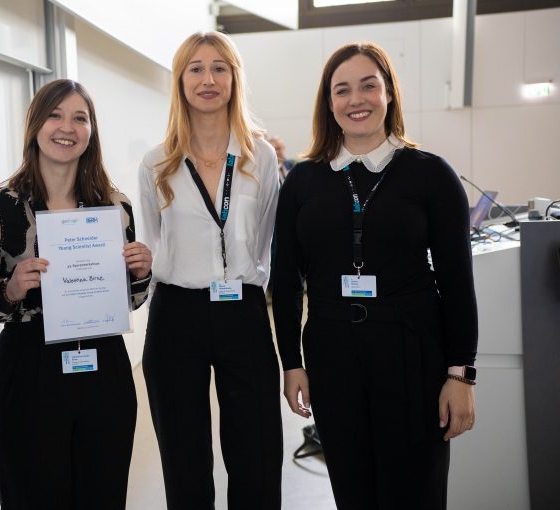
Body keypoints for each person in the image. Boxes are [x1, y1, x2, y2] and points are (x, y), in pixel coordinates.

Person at [271, 42, 478, 509]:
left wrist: (461, 375)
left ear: (389, 94)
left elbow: (457, 283)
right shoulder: (303, 181)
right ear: (329, 103)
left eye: (369, 85)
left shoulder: (430, 174)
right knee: (353, 491)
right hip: (332, 357)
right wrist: (292, 362)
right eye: (341, 90)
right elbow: (284, 281)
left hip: (413, 357)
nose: (355, 99)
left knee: (416, 493)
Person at [0, 78, 152, 510]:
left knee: (103, 495)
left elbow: (128, 301)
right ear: (35, 124)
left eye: (79, 118)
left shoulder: (114, 207)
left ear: (91, 132)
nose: (66, 127)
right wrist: (12, 289)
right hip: (27, 370)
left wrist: (141, 274)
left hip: (103, 366)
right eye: (54, 114)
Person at [138, 32, 282, 509]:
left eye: (219, 67)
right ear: (180, 81)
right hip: (176, 311)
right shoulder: (156, 162)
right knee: (183, 455)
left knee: (256, 451)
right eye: (195, 68)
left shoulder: (260, 156)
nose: (208, 78)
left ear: (234, 78)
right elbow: (155, 241)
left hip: (241, 308)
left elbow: (265, 239)